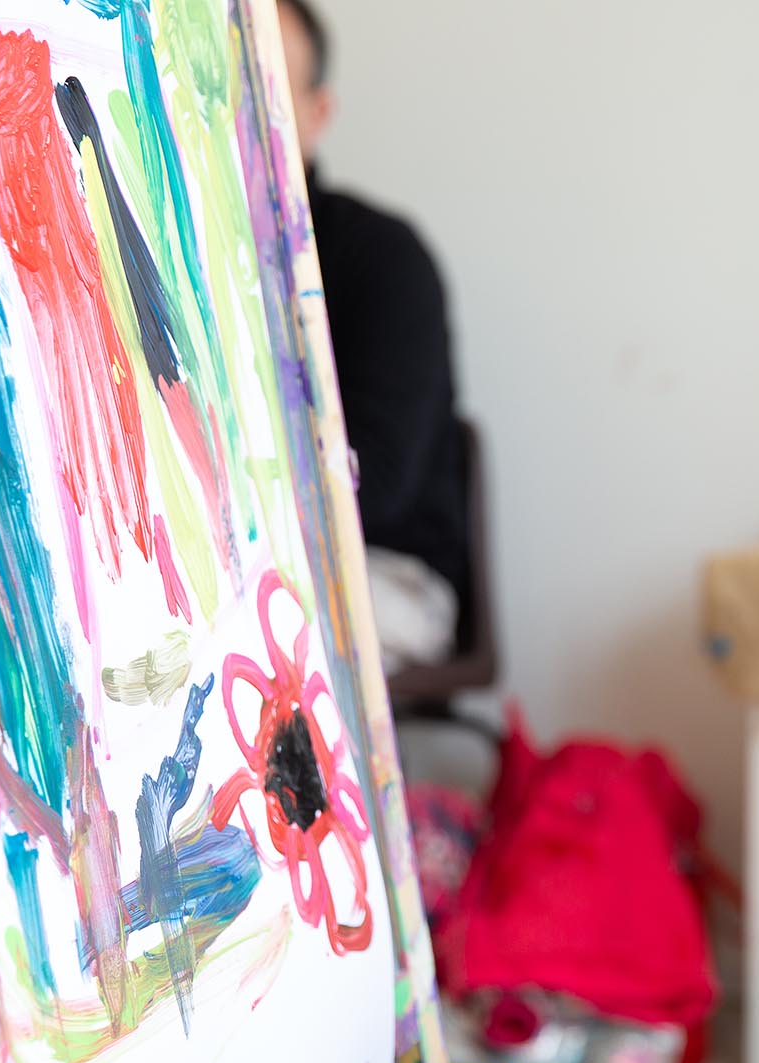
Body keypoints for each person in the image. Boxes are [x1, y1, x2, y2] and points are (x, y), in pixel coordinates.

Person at [277, 0, 469, 675]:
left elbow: (376, 484)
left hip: (385, 569)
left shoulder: (383, 257)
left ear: (317, 112)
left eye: (261, 83)